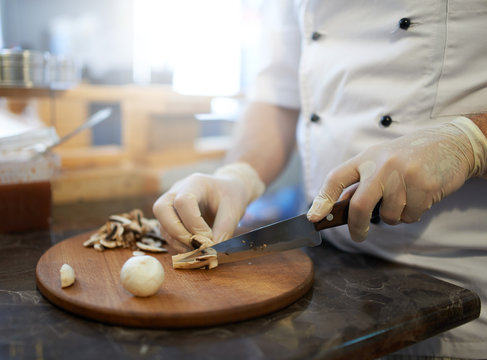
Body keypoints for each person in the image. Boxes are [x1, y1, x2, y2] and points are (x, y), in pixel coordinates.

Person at [153, 1, 487, 358]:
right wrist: (239, 174)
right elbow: (276, 97)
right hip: (328, 275)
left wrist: (470, 142)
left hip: (457, 293)